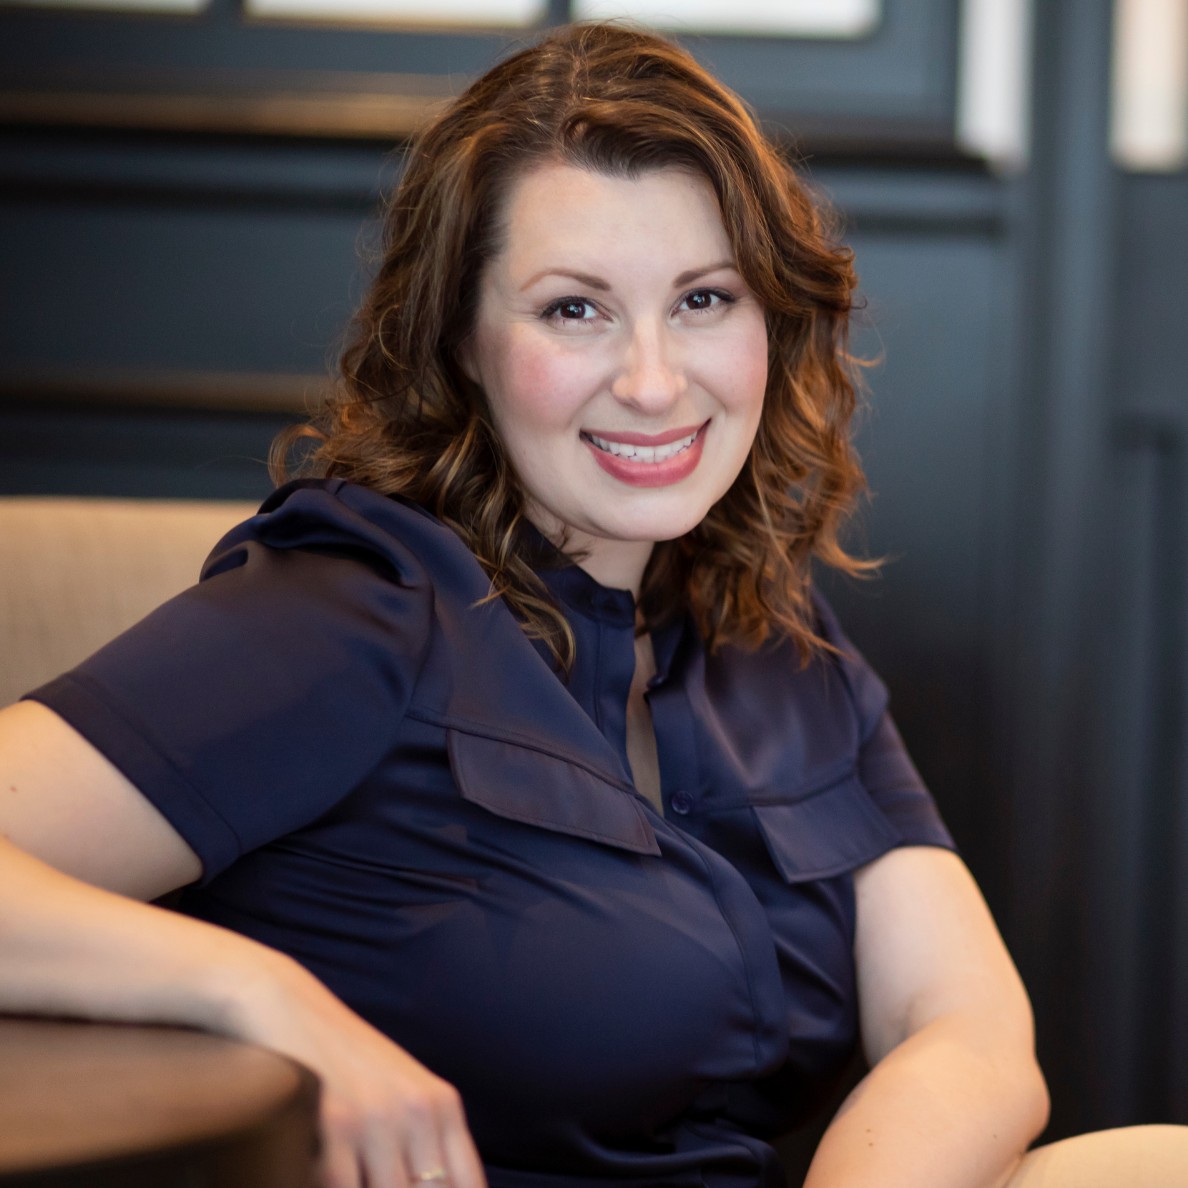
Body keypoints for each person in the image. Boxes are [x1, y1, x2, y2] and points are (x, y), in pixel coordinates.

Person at [2, 20, 1186, 1188]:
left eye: (704, 300)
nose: (655, 382)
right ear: (461, 342)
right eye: (576, 309)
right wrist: (260, 996)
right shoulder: (352, 609)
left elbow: (966, 1024)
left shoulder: (770, 635)